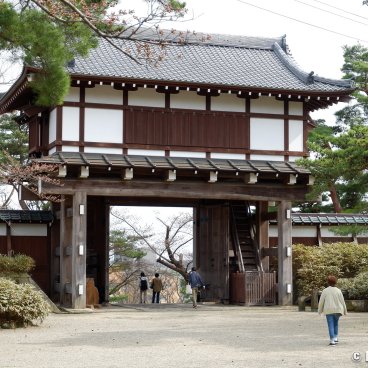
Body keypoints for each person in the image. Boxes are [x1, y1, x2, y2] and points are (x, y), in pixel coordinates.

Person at [318, 275, 347, 346]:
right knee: (335, 323)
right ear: (335, 282)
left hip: (329, 310)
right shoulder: (338, 290)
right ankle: (335, 337)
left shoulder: (325, 291)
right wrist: (345, 310)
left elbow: (321, 301)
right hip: (338, 310)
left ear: (328, 282)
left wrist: (320, 310)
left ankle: (332, 340)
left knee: (330, 325)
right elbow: (342, 301)